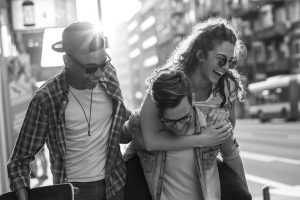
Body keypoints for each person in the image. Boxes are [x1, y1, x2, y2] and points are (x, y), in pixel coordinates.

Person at [7, 22, 130, 200]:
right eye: (90, 68)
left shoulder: (109, 74)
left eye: (103, 64)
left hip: (115, 185)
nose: (99, 73)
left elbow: (118, 119)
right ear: (67, 61)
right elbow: (19, 161)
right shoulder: (47, 98)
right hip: (73, 193)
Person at [137, 17, 251, 199]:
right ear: (200, 55)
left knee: (241, 195)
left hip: (203, 164)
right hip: (157, 166)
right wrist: (203, 138)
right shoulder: (169, 82)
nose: (226, 68)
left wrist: (221, 118)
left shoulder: (227, 85)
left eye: (231, 61)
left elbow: (228, 135)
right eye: (221, 60)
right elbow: (151, 141)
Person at [124, 69, 234, 200]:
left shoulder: (212, 122)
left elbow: (232, 156)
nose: (179, 126)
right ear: (157, 111)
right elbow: (117, 137)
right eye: (170, 121)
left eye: (184, 118)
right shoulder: (140, 124)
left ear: (192, 99)